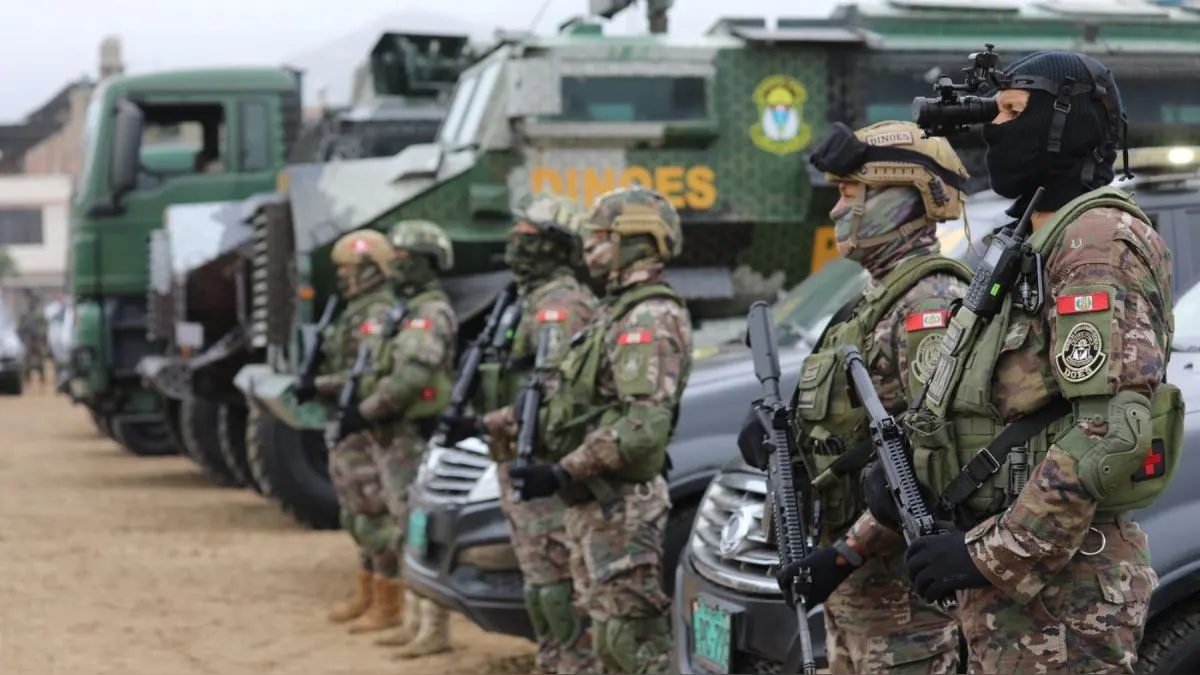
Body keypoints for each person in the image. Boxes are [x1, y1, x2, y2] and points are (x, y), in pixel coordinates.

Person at [829, 51, 1175, 673]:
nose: (996, 129)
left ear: (1067, 122)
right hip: (1012, 584)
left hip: (1065, 590)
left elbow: (1111, 429)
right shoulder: (1020, 244)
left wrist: (992, 554)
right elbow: (989, 401)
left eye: (1014, 112)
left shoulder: (1096, 239)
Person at [751, 120, 972, 674]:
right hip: (856, 586)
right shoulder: (874, 301)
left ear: (901, 198)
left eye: (850, 193)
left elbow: (929, 464)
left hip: (897, 593)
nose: (836, 210)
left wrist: (847, 552)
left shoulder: (929, 305)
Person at [485, 185, 693, 674]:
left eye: (602, 237)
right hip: (592, 504)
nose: (591, 248)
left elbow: (642, 425)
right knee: (602, 638)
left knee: (632, 640)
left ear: (637, 240)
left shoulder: (649, 317)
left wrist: (562, 471)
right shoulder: (612, 312)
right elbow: (566, 399)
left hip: (620, 505)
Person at [445, 194, 599, 673]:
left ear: (556, 245)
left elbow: (554, 395)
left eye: (528, 234)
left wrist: (482, 424)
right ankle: (553, 661)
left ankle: (576, 664)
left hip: (546, 461)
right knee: (538, 583)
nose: (516, 241)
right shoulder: (522, 301)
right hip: (514, 457)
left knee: (558, 584)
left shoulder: (562, 305)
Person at [359, 220, 460, 659]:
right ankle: (414, 620)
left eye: (404, 258)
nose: (396, 265)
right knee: (406, 527)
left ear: (425, 262)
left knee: (422, 529)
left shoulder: (429, 312)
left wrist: (367, 408)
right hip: (396, 433)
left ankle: (434, 626)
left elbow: (412, 377)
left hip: (414, 434)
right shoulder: (406, 309)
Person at [298, 228, 405, 634]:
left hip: (366, 424)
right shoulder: (353, 309)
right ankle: (369, 590)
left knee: (374, 513)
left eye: (351, 269)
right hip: (345, 421)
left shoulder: (377, 312)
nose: (343, 276)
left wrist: (320, 385)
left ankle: (390, 600)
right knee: (354, 511)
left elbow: (368, 372)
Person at [19, 291, 48, 389]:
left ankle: (42, 381)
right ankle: (26, 380)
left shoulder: (40, 314)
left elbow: (45, 327)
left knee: (40, 361)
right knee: (27, 361)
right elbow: (20, 328)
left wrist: (43, 338)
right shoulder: (25, 314)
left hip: (38, 339)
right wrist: (23, 337)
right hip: (29, 339)